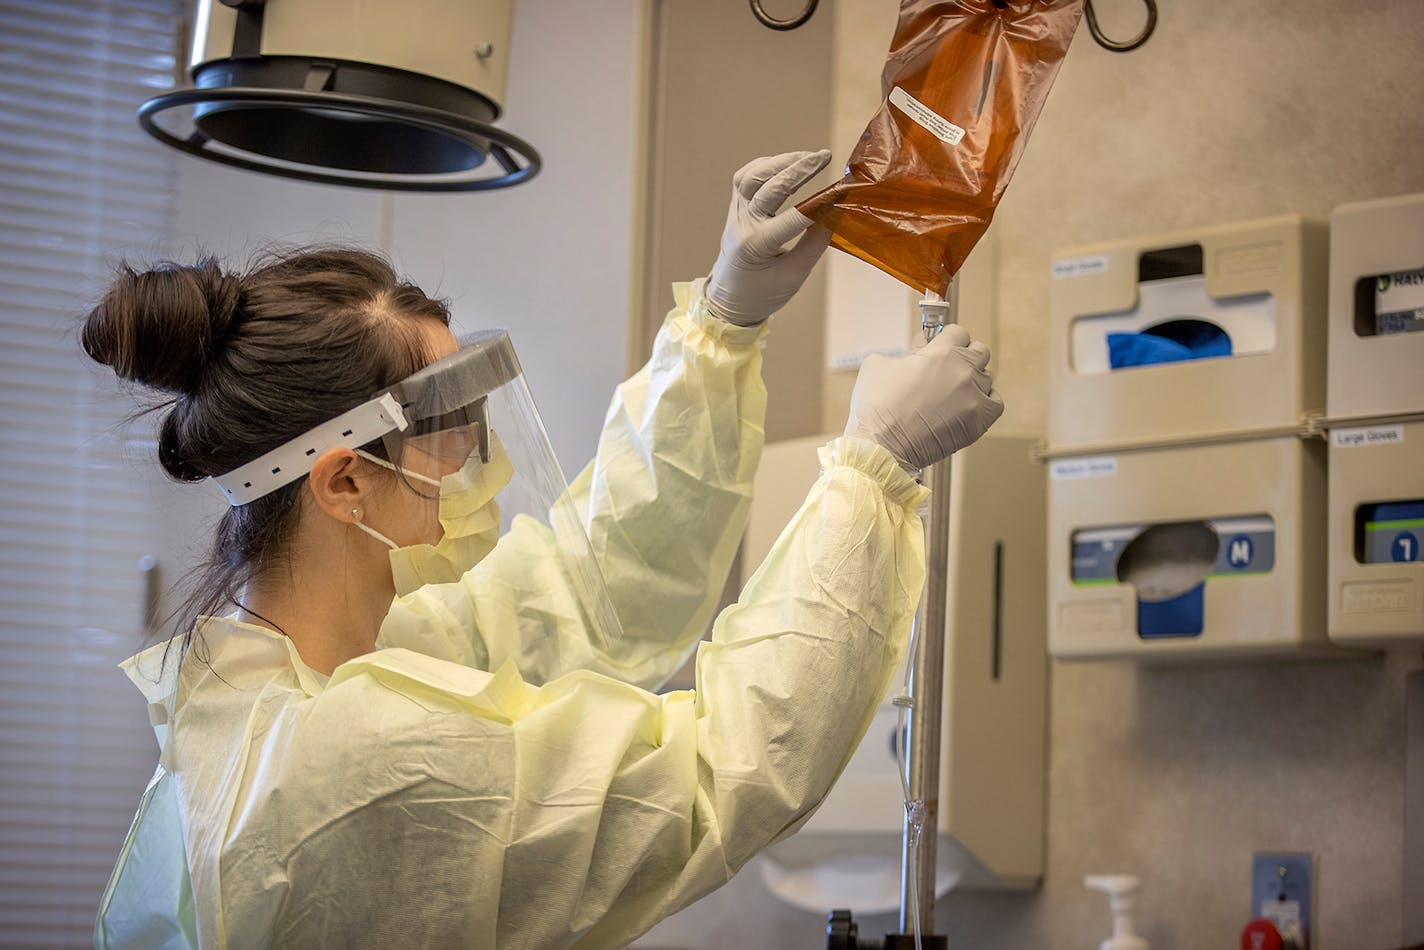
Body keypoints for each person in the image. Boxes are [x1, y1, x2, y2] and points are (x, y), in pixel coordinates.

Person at [86, 150, 1004, 949]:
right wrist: (871, 472)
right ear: (343, 483)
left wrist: (722, 325)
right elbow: (720, 769)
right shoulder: (351, 763)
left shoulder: (312, 677)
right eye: (447, 426)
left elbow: (594, 583)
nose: (472, 462)